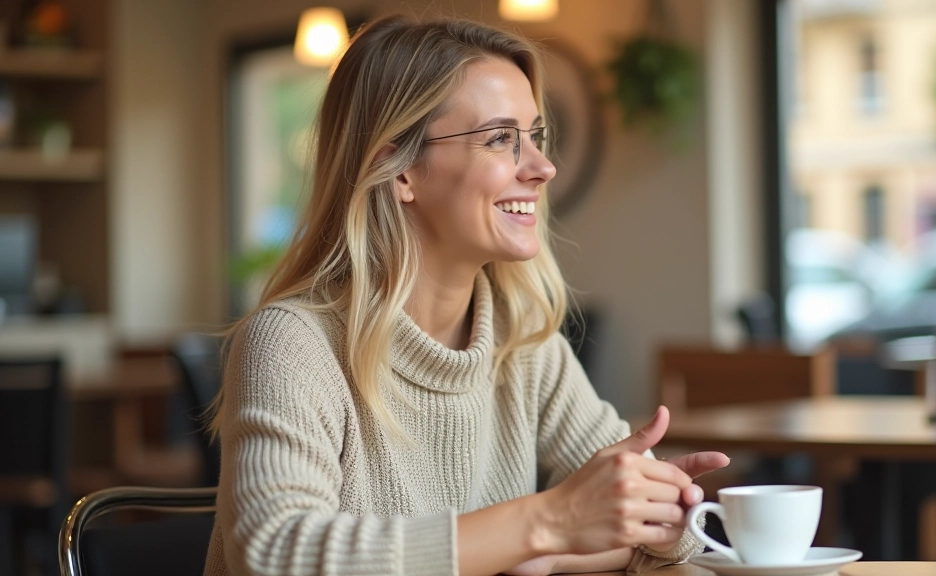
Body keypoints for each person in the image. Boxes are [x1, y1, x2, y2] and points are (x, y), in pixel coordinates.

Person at [203, 14, 730, 576]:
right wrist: (543, 525)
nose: (543, 167)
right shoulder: (293, 345)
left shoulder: (524, 345)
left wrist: (554, 550)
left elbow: (659, 538)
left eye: (535, 136)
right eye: (501, 138)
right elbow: (275, 555)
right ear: (396, 167)